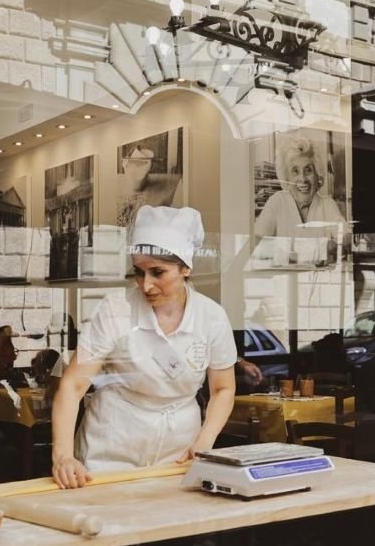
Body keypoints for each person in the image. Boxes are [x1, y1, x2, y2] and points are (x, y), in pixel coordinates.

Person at [52, 205, 237, 488]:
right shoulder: (115, 310)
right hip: (111, 447)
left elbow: (223, 389)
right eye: (138, 272)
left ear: (186, 268)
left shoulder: (211, 318)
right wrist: (63, 456)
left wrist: (204, 441)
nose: (146, 285)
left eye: (157, 272)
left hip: (179, 451)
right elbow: (73, 384)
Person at [253, 136, 346, 264]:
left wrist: (337, 245)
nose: (302, 179)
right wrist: (318, 249)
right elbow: (255, 245)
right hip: (285, 282)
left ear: (317, 174)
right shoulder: (277, 202)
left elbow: (346, 240)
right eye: (295, 171)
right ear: (286, 176)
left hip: (320, 282)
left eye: (308, 170)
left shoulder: (327, 204)